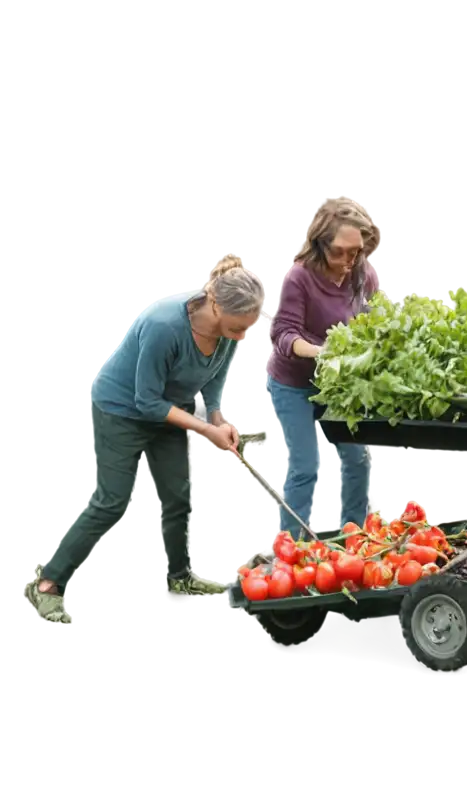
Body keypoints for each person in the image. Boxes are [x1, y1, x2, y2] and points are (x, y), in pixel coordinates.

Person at [26, 252, 264, 624]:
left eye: (246, 328)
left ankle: (180, 578)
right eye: (237, 328)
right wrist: (205, 430)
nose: (241, 336)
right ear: (215, 304)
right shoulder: (164, 326)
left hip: (169, 410)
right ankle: (47, 582)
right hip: (120, 410)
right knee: (111, 500)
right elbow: (146, 401)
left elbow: (212, 379)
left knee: (177, 497)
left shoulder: (229, 329)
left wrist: (219, 417)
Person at [266, 193, 381, 542]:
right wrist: (323, 353)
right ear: (321, 245)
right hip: (295, 385)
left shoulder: (362, 276)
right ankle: (291, 550)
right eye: (339, 252)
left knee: (358, 460)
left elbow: (374, 324)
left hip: (338, 386)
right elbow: (284, 335)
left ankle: (354, 535)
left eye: (356, 251)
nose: (348, 260)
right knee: (306, 469)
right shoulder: (298, 278)